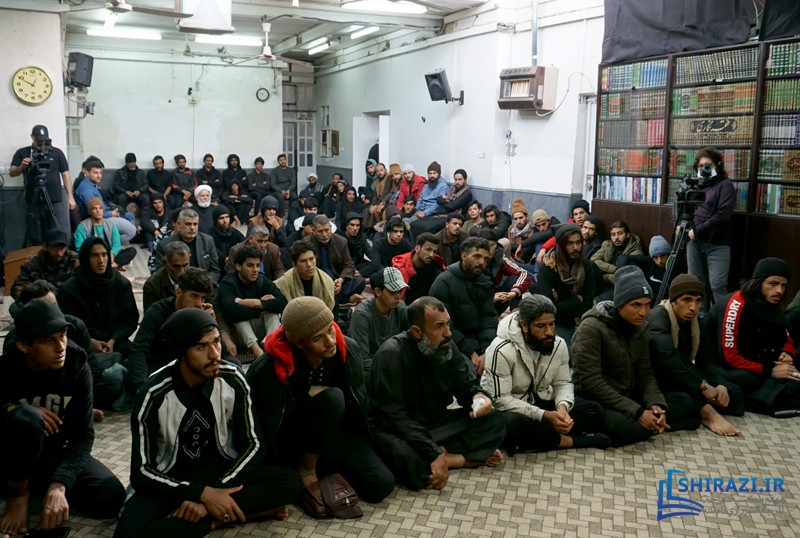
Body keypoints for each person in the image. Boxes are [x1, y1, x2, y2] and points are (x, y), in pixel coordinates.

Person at [115, 309, 301, 538]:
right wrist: (199, 493)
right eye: (201, 347)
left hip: (220, 470)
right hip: (173, 479)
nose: (214, 354)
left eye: (216, 342)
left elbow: (254, 444)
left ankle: (206, 513)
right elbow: (142, 472)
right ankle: (219, 520)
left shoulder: (233, 379)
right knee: (128, 533)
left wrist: (215, 492)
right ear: (182, 352)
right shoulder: (154, 394)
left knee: (289, 482)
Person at [246, 297, 395, 503]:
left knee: (380, 483)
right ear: (299, 342)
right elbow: (260, 425)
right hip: (290, 442)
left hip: (331, 435)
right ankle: (306, 470)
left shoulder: (347, 350)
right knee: (332, 398)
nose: (330, 341)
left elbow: (359, 402)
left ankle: (323, 471)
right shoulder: (268, 369)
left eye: (330, 330)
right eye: (318, 337)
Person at [0, 301, 125, 537]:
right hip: (12, 455)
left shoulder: (76, 365)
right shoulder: (7, 366)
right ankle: (19, 492)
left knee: (110, 495)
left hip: (55, 452)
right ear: (24, 345)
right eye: (49, 341)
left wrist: (60, 484)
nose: (61, 347)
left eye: (63, 336)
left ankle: (42, 486)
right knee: (26, 418)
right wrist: (13, 408)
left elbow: (84, 434)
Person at [369, 297, 506, 491]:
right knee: (402, 455)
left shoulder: (446, 346)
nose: (448, 333)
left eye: (448, 324)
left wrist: (479, 398)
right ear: (417, 331)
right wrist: (433, 451)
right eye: (439, 327)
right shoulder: (391, 355)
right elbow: (395, 417)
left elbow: (466, 385)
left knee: (495, 419)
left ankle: (447, 459)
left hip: (438, 426)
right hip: (402, 431)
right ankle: (463, 459)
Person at [571, 266, 698, 447]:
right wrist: (638, 412)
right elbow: (590, 383)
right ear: (620, 304)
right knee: (625, 427)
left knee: (684, 401)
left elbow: (644, 372)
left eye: (647, 305)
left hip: (628, 395)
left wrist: (655, 404)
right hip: (597, 399)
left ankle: (654, 423)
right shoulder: (592, 328)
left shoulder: (641, 328)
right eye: (636, 305)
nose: (643, 313)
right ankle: (656, 425)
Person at [482, 294, 610, 453]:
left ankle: (536, 440)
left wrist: (562, 409)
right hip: (511, 408)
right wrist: (545, 415)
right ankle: (569, 441)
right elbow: (501, 400)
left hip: (541, 401)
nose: (549, 332)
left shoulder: (558, 344)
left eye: (551, 324)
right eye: (541, 326)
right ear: (524, 325)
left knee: (593, 410)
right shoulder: (501, 349)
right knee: (511, 423)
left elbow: (562, 383)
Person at [648, 274, 743, 436]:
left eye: (698, 301)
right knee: (686, 399)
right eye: (687, 300)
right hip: (658, 377)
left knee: (733, 393)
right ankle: (708, 414)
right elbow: (667, 357)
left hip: (682, 375)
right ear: (674, 301)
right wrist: (702, 385)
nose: (693, 307)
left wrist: (719, 384)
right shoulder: (658, 318)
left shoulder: (696, 322)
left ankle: (699, 412)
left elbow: (706, 360)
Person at [704, 257, 800, 415]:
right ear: (759, 282)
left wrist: (787, 353)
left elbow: (786, 336)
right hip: (723, 366)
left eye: (783, 285)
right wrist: (769, 371)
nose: (779, 291)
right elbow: (730, 357)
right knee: (748, 379)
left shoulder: (771, 303)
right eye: (773, 284)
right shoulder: (736, 304)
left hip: (757, 361)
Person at [128, 267, 216, 394]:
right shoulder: (157, 311)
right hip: (161, 366)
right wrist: (141, 386)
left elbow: (220, 354)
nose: (199, 303)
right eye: (194, 296)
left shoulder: (202, 314)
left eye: (202, 299)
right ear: (178, 292)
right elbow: (138, 349)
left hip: (191, 366)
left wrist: (211, 324)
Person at [58, 238, 139, 360]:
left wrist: (113, 340)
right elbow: (67, 325)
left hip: (116, 342)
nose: (101, 260)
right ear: (86, 259)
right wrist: (90, 341)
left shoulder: (120, 284)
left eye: (104, 254)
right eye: (94, 255)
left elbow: (130, 319)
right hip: (82, 344)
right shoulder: (70, 290)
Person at [430, 237, 498, 376]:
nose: (482, 262)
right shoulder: (444, 282)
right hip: (452, 342)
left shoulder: (485, 281)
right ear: (464, 256)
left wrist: (486, 351)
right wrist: (470, 352)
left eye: (486, 259)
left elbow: (489, 319)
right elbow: (444, 326)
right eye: (477, 256)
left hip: (481, 343)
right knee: (467, 372)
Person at [684, 147, 736, 312]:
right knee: (696, 285)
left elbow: (723, 215)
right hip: (694, 243)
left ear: (717, 166)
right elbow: (679, 205)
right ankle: (699, 319)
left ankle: (720, 320)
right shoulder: (695, 185)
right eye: (701, 166)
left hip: (717, 244)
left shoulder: (725, 186)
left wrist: (697, 230)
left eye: (708, 165)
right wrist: (679, 225)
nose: (704, 169)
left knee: (717, 286)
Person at [10, 125, 75, 245]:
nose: (41, 143)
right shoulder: (23, 152)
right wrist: (22, 167)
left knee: (57, 230)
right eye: (38, 140)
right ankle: (38, 251)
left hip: (55, 198)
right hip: (33, 199)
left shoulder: (56, 152)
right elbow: (12, 172)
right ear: (32, 137)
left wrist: (70, 197)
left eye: (43, 140)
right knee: (35, 232)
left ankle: (58, 250)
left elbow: (65, 175)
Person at [218, 245, 288, 357]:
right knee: (240, 313)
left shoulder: (262, 280)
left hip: (260, 331)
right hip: (239, 334)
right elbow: (232, 312)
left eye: (258, 265)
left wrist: (257, 303)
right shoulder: (228, 283)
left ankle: (270, 343)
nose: (255, 270)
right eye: (250, 265)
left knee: (272, 310)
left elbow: (283, 303)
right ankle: (257, 350)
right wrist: (262, 309)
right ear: (238, 266)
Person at [537, 223, 595, 344]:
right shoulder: (548, 269)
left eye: (578, 242)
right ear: (561, 245)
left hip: (583, 318)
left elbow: (588, 302)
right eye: (570, 243)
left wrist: (564, 306)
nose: (576, 247)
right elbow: (551, 308)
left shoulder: (586, 266)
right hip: (557, 322)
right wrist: (577, 300)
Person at [348, 267, 410, 361]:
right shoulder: (362, 315)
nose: (398, 296)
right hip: (372, 364)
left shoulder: (401, 308)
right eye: (392, 292)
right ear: (378, 291)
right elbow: (361, 357)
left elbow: (410, 343)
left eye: (400, 291)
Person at [304, 215, 366, 304]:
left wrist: (340, 280)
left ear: (331, 227)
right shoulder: (306, 243)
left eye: (327, 230)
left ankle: (329, 299)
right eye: (320, 231)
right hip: (317, 281)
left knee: (360, 281)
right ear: (313, 230)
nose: (324, 234)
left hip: (336, 280)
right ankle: (344, 299)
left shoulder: (341, 241)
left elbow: (349, 265)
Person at [73, 157, 137, 244]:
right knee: (132, 231)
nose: (99, 176)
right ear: (87, 173)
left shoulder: (91, 184)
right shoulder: (87, 189)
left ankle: (107, 244)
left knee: (129, 217)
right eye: (95, 173)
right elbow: (94, 211)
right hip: (99, 219)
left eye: (100, 173)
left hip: (105, 213)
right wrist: (111, 213)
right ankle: (105, 245)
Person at [153, 209, 221, 285]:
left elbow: (215, 270)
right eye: (188, 224)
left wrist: (204, 284)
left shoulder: (208, 241)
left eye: (195, 224)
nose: (192, 228)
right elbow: (161, 273)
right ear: (178, 224)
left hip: (203, 286)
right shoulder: (164, 244)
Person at [10, 229, 79, 303]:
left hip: (68, 301)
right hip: (41, 302)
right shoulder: (33, 262)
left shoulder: (76, 259)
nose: (58, 253)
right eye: (54, 248)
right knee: (14, 307)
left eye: (62, 248)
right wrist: (30, 303)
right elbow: (18, 287)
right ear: (45, 247)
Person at [74, 196, 137, 269]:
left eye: (100, 208)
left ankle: (112, 266)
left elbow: (116, 244)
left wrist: (112, 254)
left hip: (108, 255)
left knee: (132, 251)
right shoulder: (82, 226)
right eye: (94, 208)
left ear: (103, 211)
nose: (98, 211)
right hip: (92, 256)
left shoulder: (110, 225)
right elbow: (80, 247)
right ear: (90, 212)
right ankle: (111, 267)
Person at [275, 242, 336, 311]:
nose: (309, 264)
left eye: (311, 259)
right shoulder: (284, 283)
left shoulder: (326, 281)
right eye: (303, 261)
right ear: (294, 264)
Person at [590, 221, 643, 297]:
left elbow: (622, 279)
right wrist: (614, 269)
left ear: (627, 235)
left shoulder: (635, 253)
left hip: (621, 289)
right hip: (604, 284)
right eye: (613, 234)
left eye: (620, 234)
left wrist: (604, 276)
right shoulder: (607, 245)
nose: (616, 237)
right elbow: (594, 260)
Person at [392, 232, 445, 304]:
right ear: (417, 248)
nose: (431, 255)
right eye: (428, 250)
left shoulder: (435, 267)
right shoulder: (401, 268)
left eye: (434, 251)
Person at [143, 241, 190, 311]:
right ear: (164, 263)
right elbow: (150, 315)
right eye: (176, 266)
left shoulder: (197, 279)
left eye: (185, 265)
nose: (181, 271)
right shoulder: (152, 285)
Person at [338, 212, 381, 281]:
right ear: (346, 225)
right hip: (345, 266)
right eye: (352, 225)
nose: (355, 228)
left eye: (357, 225)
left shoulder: (361, 237)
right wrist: (353, 270)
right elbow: (339, 260)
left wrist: (377, 261)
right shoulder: (339, 238)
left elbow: (369, 251)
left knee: (375, 265)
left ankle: (359, 277)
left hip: (359, 264)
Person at [210, 205, 245, 271]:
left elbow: (245, 242)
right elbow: (212, 249)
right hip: (215, 265)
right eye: (221, 218)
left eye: (227, 217)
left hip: (231, 265)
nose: (225, 220)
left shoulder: (234, 232)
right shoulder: (209, 234)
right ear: (216, 220)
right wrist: (225, 258)